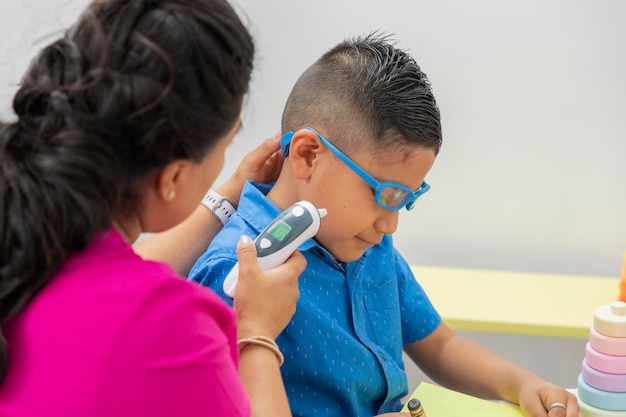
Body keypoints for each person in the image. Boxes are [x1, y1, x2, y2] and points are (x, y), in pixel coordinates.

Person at [188, 33, 582, 417]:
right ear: (308, 156)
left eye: (406, 200)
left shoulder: (365, 242)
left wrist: (522, 384)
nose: (390, 225)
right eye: (385, 193)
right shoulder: (237, 277)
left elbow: (440, 345)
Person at [0, 0, 306, 416]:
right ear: (173, 178)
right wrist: (257, 334)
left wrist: (227, 195)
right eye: (226, 144)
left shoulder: (28, 230)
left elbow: (110, 274)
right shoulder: (169, 330)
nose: (224, 165)